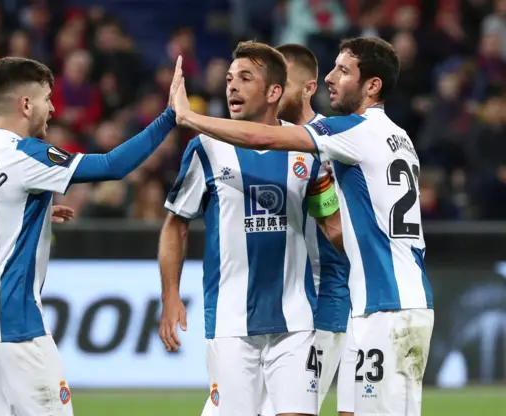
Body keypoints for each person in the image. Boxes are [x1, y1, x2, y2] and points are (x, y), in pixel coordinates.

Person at [172, 36, 434, 416]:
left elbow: (262, 136)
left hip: (390, 305)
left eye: (343, 71)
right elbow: (343, 229)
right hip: (373, 303)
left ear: (372, 85)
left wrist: (190, 117)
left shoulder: (353, 131)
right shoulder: (400, 137)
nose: (330, 77)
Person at [0, 56, 182, 416]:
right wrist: (170, 117)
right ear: (25, 104)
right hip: (12, 320)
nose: (52, 109)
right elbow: (112, 166)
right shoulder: (22, 152)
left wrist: (19, 214)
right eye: (47, 99)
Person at [158, 41, 340, 416]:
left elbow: (331, 224)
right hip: (230, 322)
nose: (231, 86)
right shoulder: (205, 148)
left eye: (245, 78)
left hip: (296, 318)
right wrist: (170, 296)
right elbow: (175, 225)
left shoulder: (307, 147)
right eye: (229, 78)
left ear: (274, 91)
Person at [258, 44, 354, 416]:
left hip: (324, 300)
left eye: (283, 83)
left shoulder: (332, 141)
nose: (274, 92)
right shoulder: (264, 142)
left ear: (309, 88)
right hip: (275, 303)